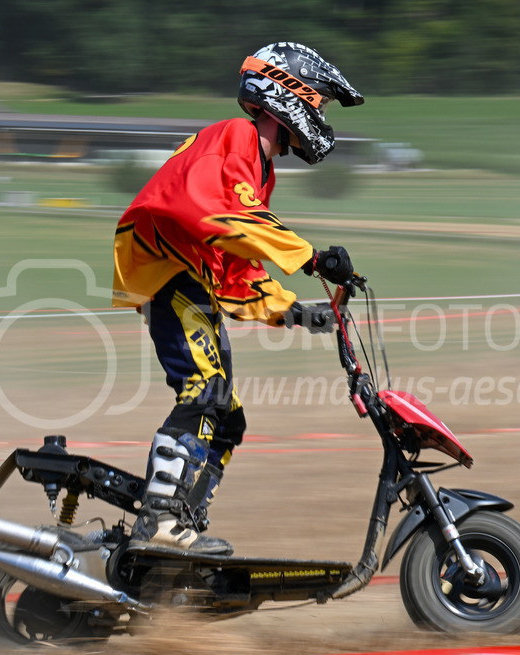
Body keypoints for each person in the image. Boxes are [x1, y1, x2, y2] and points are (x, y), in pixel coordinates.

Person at [111, 42, 365, 555]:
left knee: (227, 415)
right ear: (289, 93)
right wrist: (311, 257)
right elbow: (218, 215)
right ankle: (159, 522)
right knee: (205, 389)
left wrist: (293, 311)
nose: (321, 113)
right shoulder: (237, 136)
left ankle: (184, 523)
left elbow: (236, 263)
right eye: (320, 101)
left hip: (191, 277)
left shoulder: (257, 168)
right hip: (168, 271)